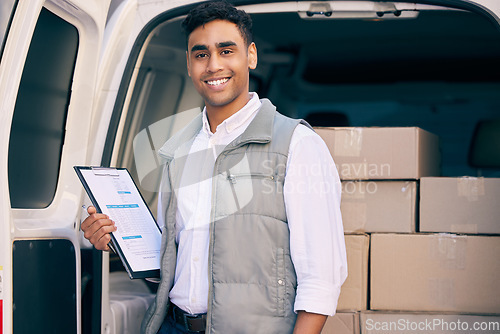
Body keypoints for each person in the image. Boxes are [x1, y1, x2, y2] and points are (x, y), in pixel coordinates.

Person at [81, 1, 347, 333]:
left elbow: (321, 277)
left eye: (226, 50)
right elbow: (172, 258)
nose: (213, 65)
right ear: (190, 65)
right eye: (201, 54)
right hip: (173, 325)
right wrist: (114, 237)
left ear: (250, 56)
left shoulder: (298, 145)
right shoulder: (178, 150)